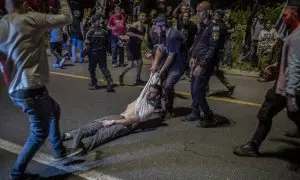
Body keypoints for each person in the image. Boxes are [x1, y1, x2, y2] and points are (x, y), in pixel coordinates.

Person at [0, 0, 82, 179]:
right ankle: (16, 173)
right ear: (23, 3)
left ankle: (59, 150)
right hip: (30, 88)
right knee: (38, 133)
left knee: (54, 109)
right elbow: (66, 18)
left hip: (16, 88)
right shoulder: (30, 19)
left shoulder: (2, 24)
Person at [233, 0, 300, 157]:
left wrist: (290, 94)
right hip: (289, 85)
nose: (283, 15)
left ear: (295, 14)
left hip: (286, 87)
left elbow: (296, 67)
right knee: (294, 114)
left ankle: (253, 145)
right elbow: (294, 59)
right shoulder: (295, 33)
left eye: (286, 13)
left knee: (266, 112)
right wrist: (279, 64)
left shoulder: (297, 37)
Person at [62, 83, 162, 154]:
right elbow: (152, 79)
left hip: (124, 125)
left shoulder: (149, 108)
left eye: (152, 93)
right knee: (90, 127)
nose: (148, 93)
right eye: (148, 90)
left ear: (157, 96)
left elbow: (130, 120)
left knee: (97, 138)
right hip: (117, 116)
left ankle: (77, 150)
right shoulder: (142, 98)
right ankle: (67, 136)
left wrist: (112, 122)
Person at [182, 1, 227, 128]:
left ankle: (209, 116)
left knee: (198, 90)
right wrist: (193, 57)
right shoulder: (203, 26)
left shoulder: (214, 27)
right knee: (193, 89)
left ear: (207, 12)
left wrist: (202, 64)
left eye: (200, 11)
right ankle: (195, 112)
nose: (197, 14)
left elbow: (213, 48)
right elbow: (198, 44)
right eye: (196, 11)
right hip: (197, 61)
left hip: (205, 64)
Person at [151, 17, 187, 119]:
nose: (155, 29)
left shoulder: (172, 35)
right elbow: (162, 48)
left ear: (162, 26)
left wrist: (161, 70)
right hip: (173, 61)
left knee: (167, 85)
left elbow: (171, 56)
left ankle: (169, 110)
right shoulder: (166, 34)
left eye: (156, 27)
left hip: (179, 63)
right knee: (161, 82)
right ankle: (161, 106)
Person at [84, 15, 115, 92]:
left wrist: (83, 54)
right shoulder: (104, 31)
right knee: (103, 68)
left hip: (93, 53)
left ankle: (94, 84)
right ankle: (110, 82)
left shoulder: (89, 31)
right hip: (102, 52)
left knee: (91, 69)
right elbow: (108, 44)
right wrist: (110, 52)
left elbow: (88, 45)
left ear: (93, 21)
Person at [209, 9, 235, 96]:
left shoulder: (219, 26)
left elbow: (214, 38)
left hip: (216, 51)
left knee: (207, 69)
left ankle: (206, 90)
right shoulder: (222, 25)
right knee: (215, 71)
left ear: (219, 16)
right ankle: (229, 86)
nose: (214, 15)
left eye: (215, 14)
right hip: (217, 50)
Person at [119, 12, 147, 86]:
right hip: (131, 46)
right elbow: (128, 33)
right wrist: (138, 36)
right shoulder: (135, 24)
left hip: (137, 47)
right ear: (138, 17)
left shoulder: (143, 27)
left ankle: (138, 79)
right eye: (142, 16)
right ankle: (121, 75)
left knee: (140, 63)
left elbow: (142, 38)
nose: (144, 17)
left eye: (145, 16)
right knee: (131, 65)